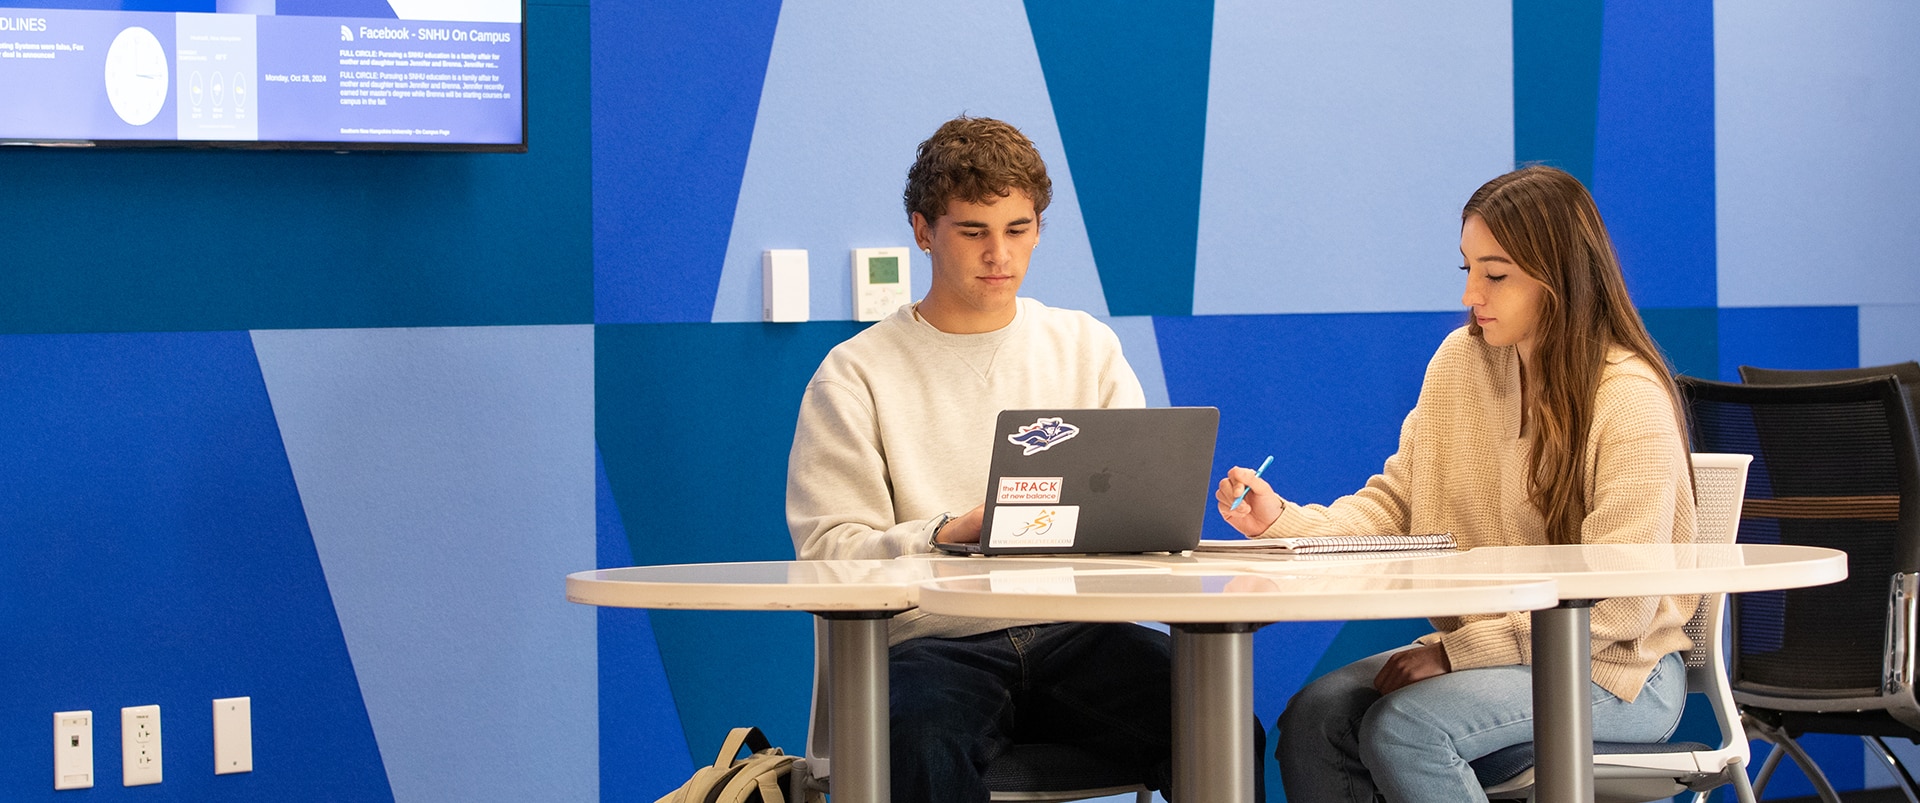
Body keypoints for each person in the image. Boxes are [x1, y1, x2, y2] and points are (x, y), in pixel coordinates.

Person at [1216, 165, 1697, 802]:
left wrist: (1457, 654)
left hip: (1615, 670)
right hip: (1496, 653)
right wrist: (1285, 522)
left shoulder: (1628, 397)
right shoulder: (1459, 362)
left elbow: (1618, 605)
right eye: (1467, 269)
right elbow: (1397, 506)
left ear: (1560, 279)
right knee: (1314, 719)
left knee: (1408, 728)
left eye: (1495, 275)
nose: (1473, 294)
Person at [786, 115, 1188, 801]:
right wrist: (941, 534)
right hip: (930, 643)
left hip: (1079, 633)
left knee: (1218, 720)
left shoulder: (1086, 348)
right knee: (916, 735)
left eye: (1018, 230)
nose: (999, 254)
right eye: (974, 232)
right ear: (923, 231)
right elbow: (826, 553)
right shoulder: (854, 373)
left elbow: (1138, 518)